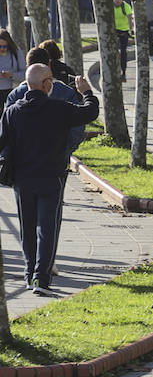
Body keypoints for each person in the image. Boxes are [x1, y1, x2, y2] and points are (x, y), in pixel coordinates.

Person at [0, 64, 99, 292]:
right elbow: (90, 112)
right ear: (46, 84)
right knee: (47, 228)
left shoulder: (13, 111)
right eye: (51, 80)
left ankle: (29, 274)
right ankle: (41, 278)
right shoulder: (59, 109)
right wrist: (86, 92)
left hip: (22, 180)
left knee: (27, 228)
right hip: (51, 178)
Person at [112, 0, 134, 80]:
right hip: (113, 30)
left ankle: (123, 71)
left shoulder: (126, 6)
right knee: (113, 51)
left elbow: (130, 19)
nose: (117, 0)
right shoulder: (110, 6)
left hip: (124, 31)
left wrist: (131, 29)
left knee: (123, 51)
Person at [0, 30, 22, 100]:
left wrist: (12, 75)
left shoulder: (16, 52)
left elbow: (25, 74)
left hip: (13, 90)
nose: (2, 49)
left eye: (4, 46)